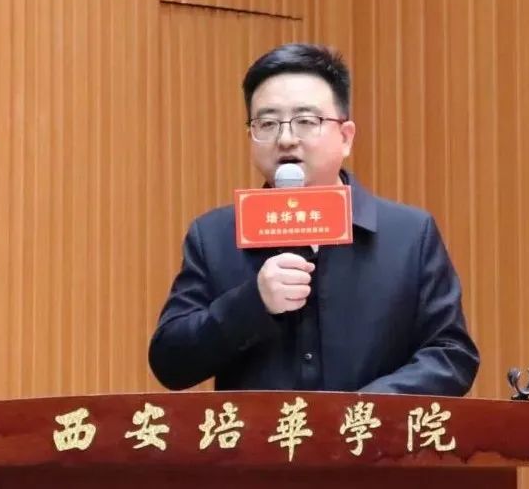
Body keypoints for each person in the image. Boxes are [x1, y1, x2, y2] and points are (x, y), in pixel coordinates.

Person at [148, 43, 479, 395]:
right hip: (257, 433)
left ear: (345, 137)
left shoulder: (409, 235)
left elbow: (451, 354)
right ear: (250, 137)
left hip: (371, 430)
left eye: (306, 121)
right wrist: (251, 303)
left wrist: (364, 410)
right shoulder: (214, 236)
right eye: (267, 123)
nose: (286, 139)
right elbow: (170, 362)